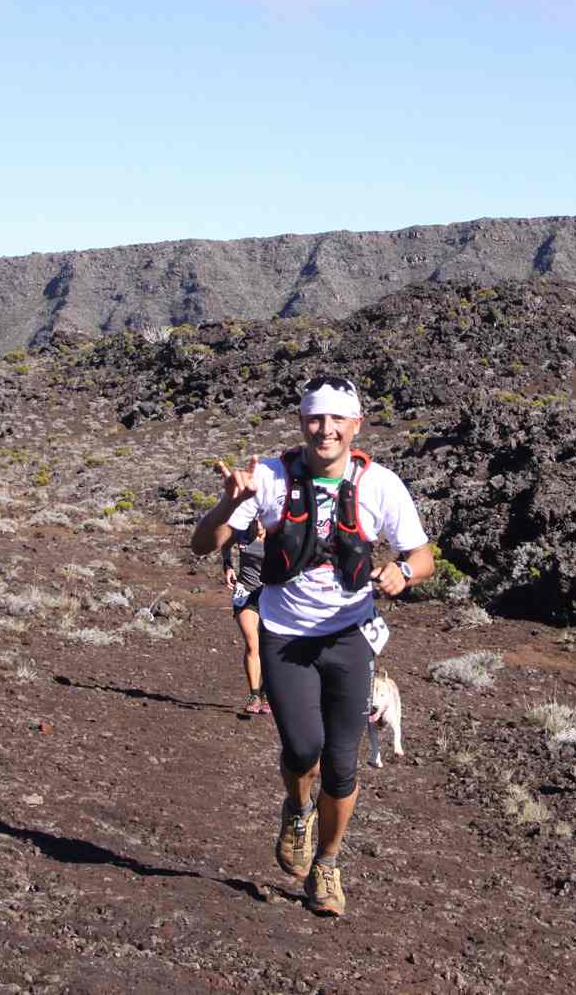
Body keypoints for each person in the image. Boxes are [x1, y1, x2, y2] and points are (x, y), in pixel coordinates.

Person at [190, 373, 434, 917]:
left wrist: (403, 573)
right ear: (302, 422)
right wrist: (228, 503)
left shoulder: (381, 486)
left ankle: (326, 864)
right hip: (285, 636)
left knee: (343, 765)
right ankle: (298, 809)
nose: (325, 430)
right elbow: (203, 544)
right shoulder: (269, 478)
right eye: (314, 418)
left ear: (356, 425)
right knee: (303, 750)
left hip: (349, 638)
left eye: (336, 419)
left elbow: (423, 557)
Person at [223, 516, 269, 715]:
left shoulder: (279, 535)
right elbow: (225, 543)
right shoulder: (242, 532)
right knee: (252, 643)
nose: (258, 524)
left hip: (271, 595)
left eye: (262, 520)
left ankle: (268, 693)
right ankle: (254, 693)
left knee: (270, 647)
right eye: (255, 520)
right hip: (245, 591)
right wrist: (228, 566)